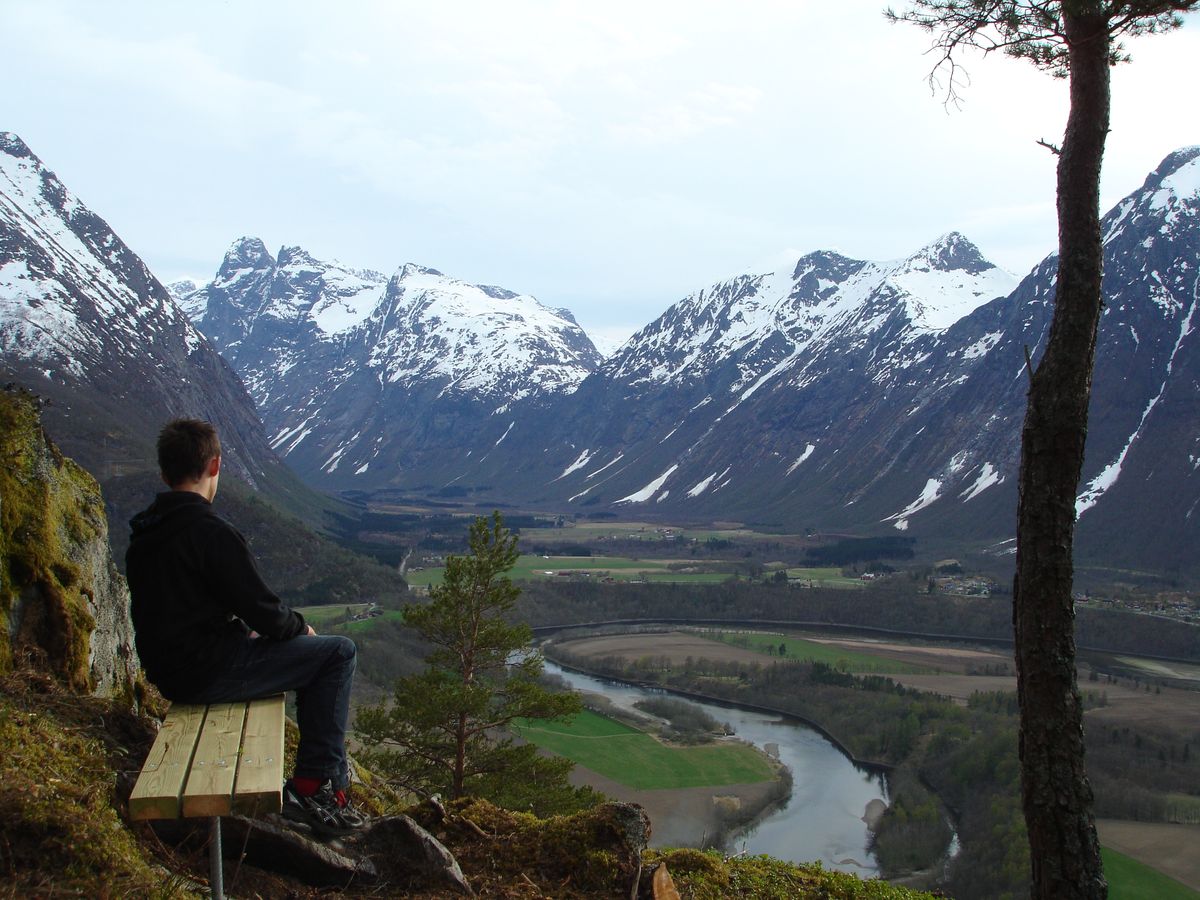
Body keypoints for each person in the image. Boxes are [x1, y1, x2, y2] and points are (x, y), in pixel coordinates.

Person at [125, 418, 364, 836]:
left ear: (164, 473)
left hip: (171, 670)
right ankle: (315, 787)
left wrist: (246, 633)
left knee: (297, 651)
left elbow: (183, 609)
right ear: (215, 466)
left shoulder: (145, 533)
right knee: (336, 654)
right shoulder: (210, 532)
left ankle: (319, 784)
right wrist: (300, 630)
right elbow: (264, 610)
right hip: (207, 672)